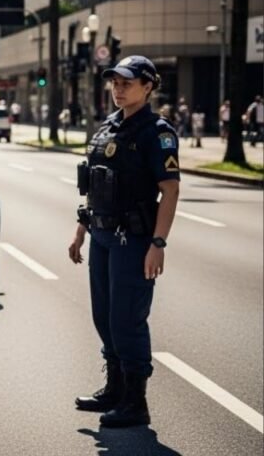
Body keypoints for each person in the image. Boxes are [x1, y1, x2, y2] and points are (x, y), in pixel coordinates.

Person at [69, 56, 180, 428]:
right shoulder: (108, 127)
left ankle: (136, 402)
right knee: (103, 315)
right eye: (114, 82)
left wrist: (158, 243)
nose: (118, 89)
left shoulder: (156, 132)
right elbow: (96, 185)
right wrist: (81, 229)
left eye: (127, 83)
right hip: (101, 233)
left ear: (148, 86)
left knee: (126, 319)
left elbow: (170, 190)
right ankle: (115, 389)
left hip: (132, 239)